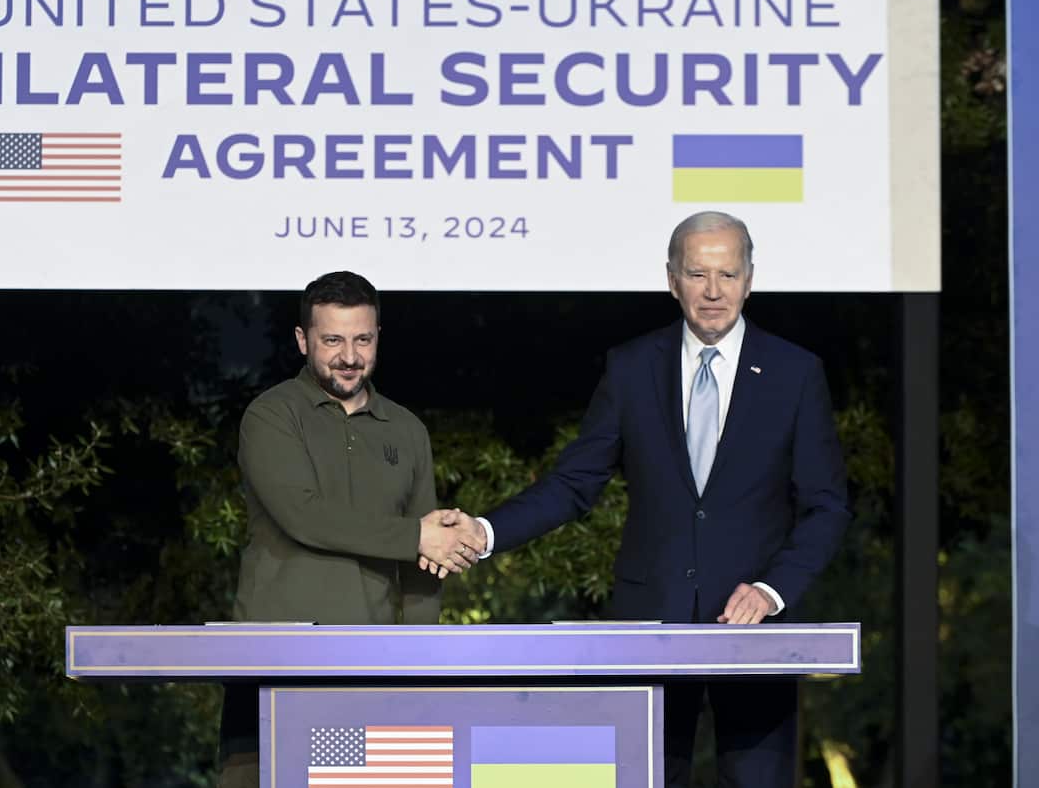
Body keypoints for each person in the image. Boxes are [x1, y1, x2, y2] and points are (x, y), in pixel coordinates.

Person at [436, 211, 851, 787]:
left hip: (754, 633)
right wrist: (485, 532)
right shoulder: (631, 367)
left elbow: (827, 506)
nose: (712, 292)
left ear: (749, 279)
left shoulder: (795, 373)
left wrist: (772, 589)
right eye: (697, 274)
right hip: (647, 627)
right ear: (671, 279)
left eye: (727, 275)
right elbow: (575, 483)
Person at [218, 270, 483, 788]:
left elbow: (426, 568)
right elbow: (303, 515)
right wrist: (415, 536)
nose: (349, 356)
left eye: (362, 339)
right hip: (275, 661)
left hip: (374, 667)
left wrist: (420, 666)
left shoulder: (407, 430)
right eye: (332, 340)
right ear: (302, 340)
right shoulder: (271, 415)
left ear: (377, 338)